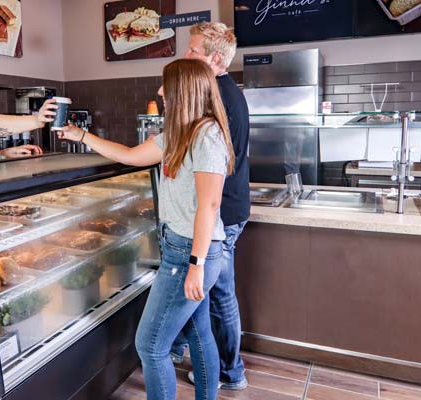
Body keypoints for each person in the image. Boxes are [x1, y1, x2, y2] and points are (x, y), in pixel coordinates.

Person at [59, 59, 235, 400]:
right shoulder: (178, 132)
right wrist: (80, 135)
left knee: (151, 345)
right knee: (199, 334)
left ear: (183, 90)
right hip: (180, 247)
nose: (159, 92)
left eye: (165, 86)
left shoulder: (207, 136)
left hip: (191, 252)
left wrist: (196, 266)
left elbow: (209, 206)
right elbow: (129, 155)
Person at [169, 22, 251, 390]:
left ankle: (231, 371)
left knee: (217, 295)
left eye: (194, 51)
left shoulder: (218, 97)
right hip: (226, 209)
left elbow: (210, 182)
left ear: (215, 59)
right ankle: (182, 347)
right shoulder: (224, 90)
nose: (186, 55)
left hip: (221, 213)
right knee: (206, 292)